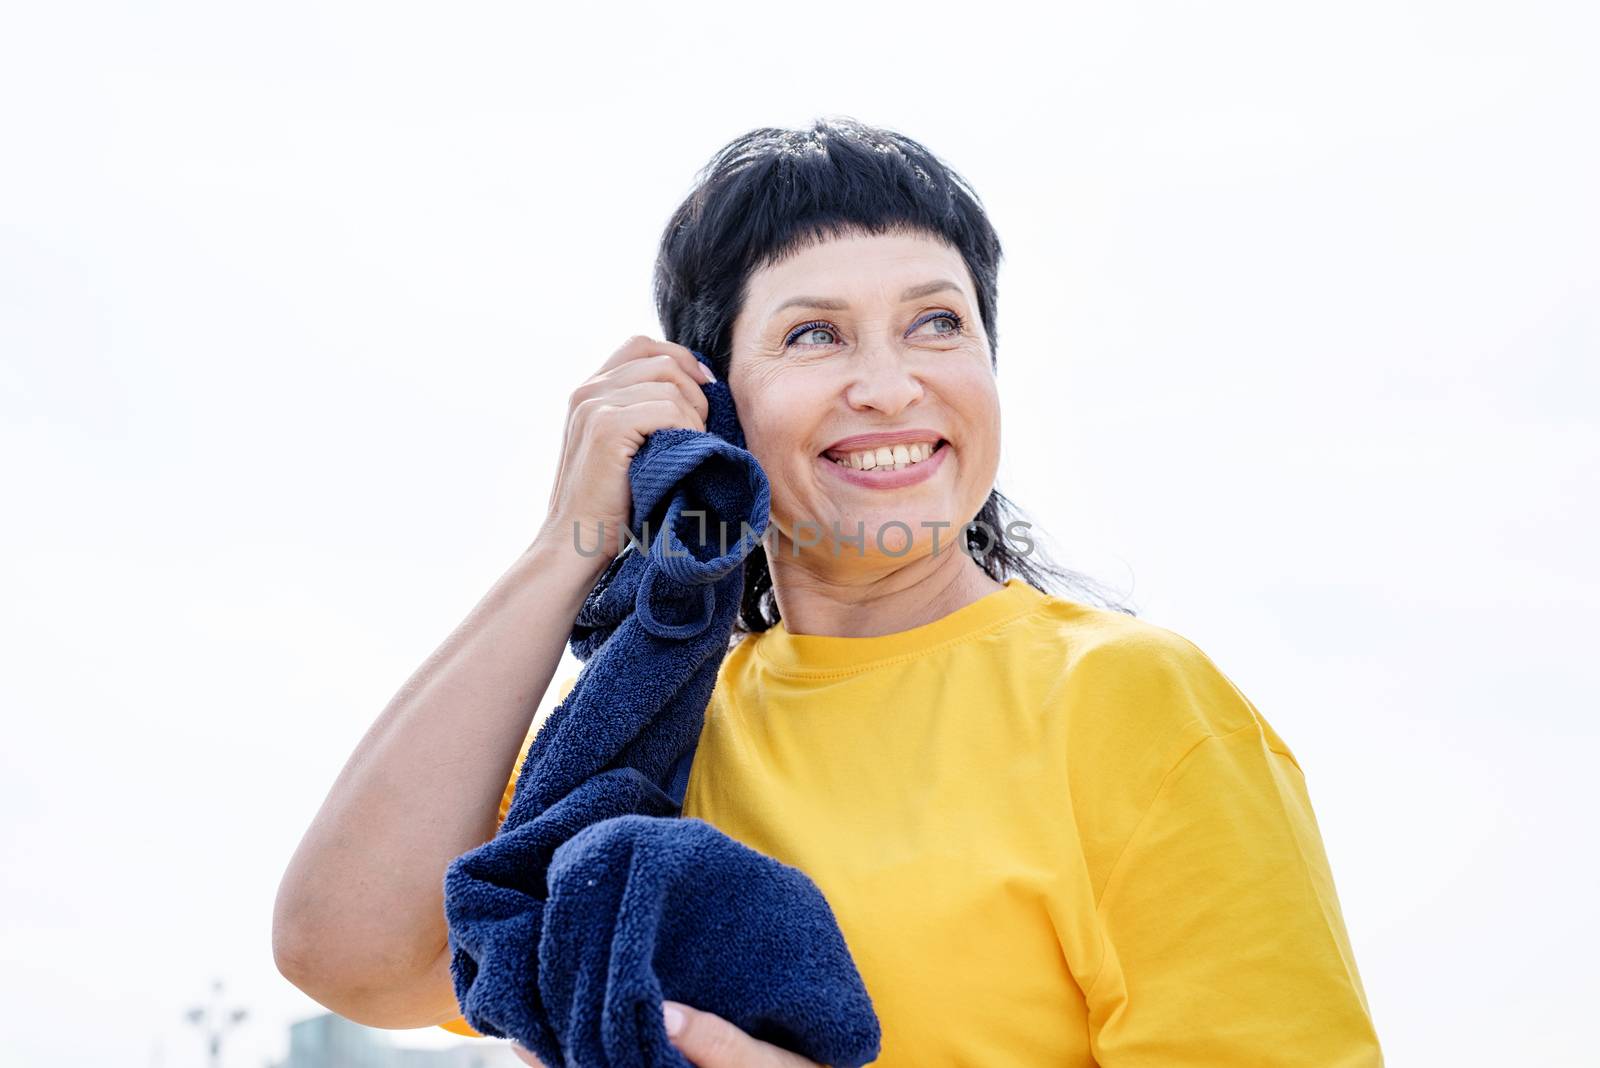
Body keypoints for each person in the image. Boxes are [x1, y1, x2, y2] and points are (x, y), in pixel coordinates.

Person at [273, 116, 1384, 1067]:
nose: (891, 385)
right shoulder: (653, 733)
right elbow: (352, 952)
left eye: (937, 323)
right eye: (814, 335)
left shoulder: (1130, 701)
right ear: (713, 411)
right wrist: (566, 543)